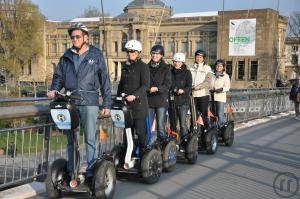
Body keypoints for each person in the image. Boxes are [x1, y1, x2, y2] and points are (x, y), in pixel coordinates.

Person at [47, 22, 111, 184]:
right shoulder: (66, 55)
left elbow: (105, 80)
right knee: (71, 140)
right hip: (70, 102)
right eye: (72, 37)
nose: (74, 39)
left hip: (89, 102)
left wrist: (107, 104)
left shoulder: (96, 55)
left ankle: (91, 173)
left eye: (77, 36)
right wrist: (54, 89)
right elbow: (58, 76)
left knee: (90, 138)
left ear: (85, 37)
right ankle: (72, 172)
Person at [117, 40, 150, 152]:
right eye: (128, 51)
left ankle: (144, 153)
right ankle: (127, 155)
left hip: (139, 106)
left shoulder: (143, 67)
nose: (130, 53)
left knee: (140, 132)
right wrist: (117, 98)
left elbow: (145, 85)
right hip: (127, 106)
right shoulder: (125, 66)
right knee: (127, 133)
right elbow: (121, 84)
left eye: (133, 51)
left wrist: (134, 95)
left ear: (138, 52)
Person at [147, 44, 172, 143]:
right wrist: (148, 88)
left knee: (161, 126)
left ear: (161, 55)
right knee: (148, 126)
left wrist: (157, 88)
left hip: (161, 100)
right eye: (153, 53)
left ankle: (163, 145)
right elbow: (144, 82)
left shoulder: (166, 68)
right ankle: (148, 145)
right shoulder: (146, 67)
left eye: (157, 54)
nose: (155, 56)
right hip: (149, 100)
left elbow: (168, 84)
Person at [169, 53, 192, 141]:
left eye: (179, 62)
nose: (176, 63)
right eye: (175, 62)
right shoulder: (170, 72)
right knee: (173, 123)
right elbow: (168, 83)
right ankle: (173, 141)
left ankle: (184, 140)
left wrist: (183, 90)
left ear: (182, 63)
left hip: (183, 101)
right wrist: (174, 89)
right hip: (172, 101)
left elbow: (189, 86)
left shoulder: (187, 73)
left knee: (182, 123)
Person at [189, 49, 214, 128]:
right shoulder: (191, 67)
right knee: (193, 114)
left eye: (200, 57)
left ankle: (206, 130)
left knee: (203, 114)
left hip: (203, 94)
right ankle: (195, 130)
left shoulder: (207, 68)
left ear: (203, 58)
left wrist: (198, 87)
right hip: (193, 94)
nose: (199, 58)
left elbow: (208, 82)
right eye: (197, 56)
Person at [211, 59, 231, 127]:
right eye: (217, 66)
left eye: (220, 66)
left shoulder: (226, 76)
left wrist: (221, 89)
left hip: (220, 97)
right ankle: (214, 129)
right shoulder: (212, 75)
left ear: (223, 67)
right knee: (212, 114)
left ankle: (222, 128)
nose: (218, 67)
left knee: (220, 114)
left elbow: (227, 87)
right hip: (212, 97)